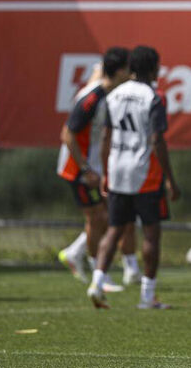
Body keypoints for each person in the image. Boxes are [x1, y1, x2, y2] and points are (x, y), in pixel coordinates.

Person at [87, 45, 180, 310]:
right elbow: (157, 139)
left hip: (117, 168)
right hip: (144, 172)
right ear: (152, 69)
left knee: (115, 229)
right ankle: (147, 296)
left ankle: (96, 282)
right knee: (151, 233)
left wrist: (106, 171)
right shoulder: (154, 96)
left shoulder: (114, 95)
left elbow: (106, 136)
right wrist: (170, 177)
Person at [57, 55, 142, 287]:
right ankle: (99, 275)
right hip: (79, 169)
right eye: (127, 70)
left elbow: (99, 72)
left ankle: (76, 254)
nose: (131, 75)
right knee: (99, 218)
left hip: (92, 167)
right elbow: (67, 134)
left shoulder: (106, 92)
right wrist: (86, 170)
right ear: (119, 72)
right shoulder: (92, 99)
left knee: (111, 217)